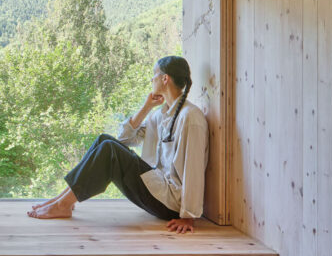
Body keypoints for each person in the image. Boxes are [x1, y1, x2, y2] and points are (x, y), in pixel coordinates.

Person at [26, 56, 208, 233]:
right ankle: (63, 200)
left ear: (165, 78)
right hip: (158, 189)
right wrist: (146, 107)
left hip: (171, 203)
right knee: (104, 140)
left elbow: (194, 170)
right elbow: (124, 139)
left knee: (109, 149)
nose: (151, 79)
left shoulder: (190, 117)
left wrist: (188, 215)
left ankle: (62, 204)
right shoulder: (159, 115)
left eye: (154, 75)